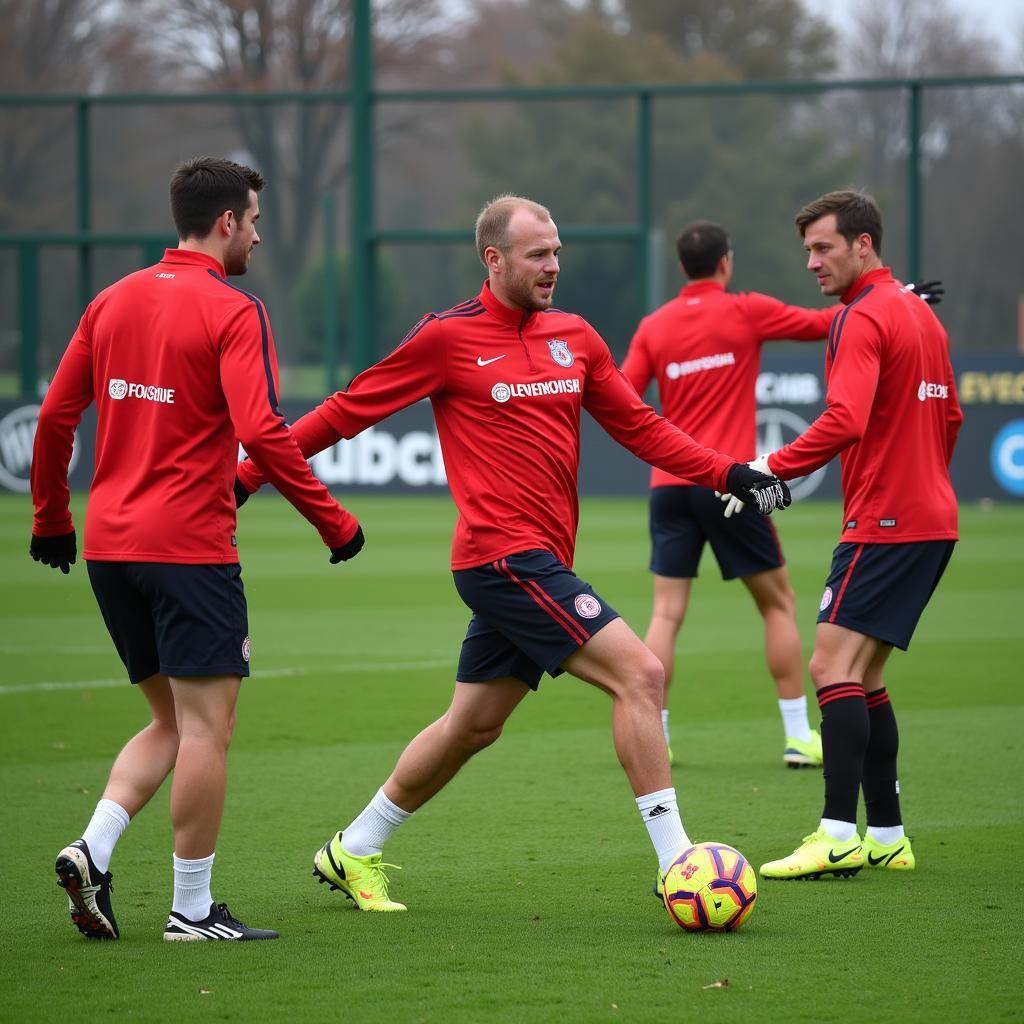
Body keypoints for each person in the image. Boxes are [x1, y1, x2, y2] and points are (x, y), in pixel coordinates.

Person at [235, 194, 791, 911]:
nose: (554, 265)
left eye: (557, 251)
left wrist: (731, 473)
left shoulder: (577, 337)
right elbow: (346, 411)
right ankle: (677, 862)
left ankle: (354, 849)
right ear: (493, 259)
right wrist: (248, 475)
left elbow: (643, 428)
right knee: (642, 675)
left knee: (473, 726)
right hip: (501, 558)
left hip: (540, 561)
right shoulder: (445, 338)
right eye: (538, 254)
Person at [30, 157, 364, 942]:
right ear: (225, 223)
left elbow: (52, 418)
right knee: (209, 728)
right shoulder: (234, 310)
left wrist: (51, 518)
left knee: (171, 722)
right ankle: (190, 910)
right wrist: (331, 520)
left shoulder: (110, 300)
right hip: (189, 551)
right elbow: (261, 431)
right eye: (252, 220)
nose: (256, 234)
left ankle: (94, 848)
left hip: (111, 549)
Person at [733, 190, 962, 880]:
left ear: (864, 245)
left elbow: (844, 419)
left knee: (831, 669)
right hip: (931, 517)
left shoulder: (860, 318)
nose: (811, 262)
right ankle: (887, 835)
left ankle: (836, 834)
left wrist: (767, 466)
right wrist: (919, 480)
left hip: (886, 522)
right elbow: (950, 418)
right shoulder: (920, 313)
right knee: (863, 677)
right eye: (807, 249)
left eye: (824, 248)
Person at [621, 220, 836, 770]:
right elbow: (823, 323)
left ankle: (658, 737)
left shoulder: (654, 325)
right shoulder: (745, 309)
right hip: (731, 486)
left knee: (667, 615)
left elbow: (623, 394)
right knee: (778, 603)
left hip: (669, 487)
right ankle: (797, 735)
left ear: (681, 267)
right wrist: (895, 300)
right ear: (725, 263)